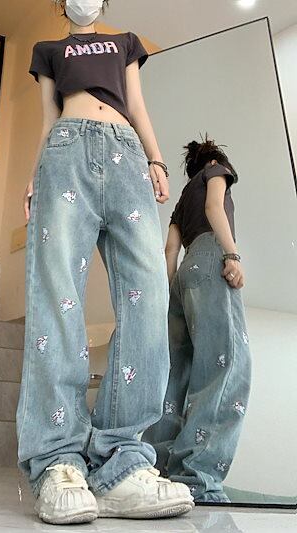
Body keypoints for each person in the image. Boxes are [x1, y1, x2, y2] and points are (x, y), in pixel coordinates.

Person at [16, 0, 194, 525]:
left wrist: (156, 158)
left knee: (149, 296)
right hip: (65, 152)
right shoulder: (48, 50)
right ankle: (58, 461)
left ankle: (121, 464)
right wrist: (34, 175)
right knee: (57, 298)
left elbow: (136, 105)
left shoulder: (124, 44)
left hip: (126, 154)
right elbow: (48, 119)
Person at [143, 138, 252, 503]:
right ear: (213, 160)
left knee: (177, 374)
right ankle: (197, 476)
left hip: (183, 275)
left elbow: (169, 251)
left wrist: (168, 298)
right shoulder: (216, 170)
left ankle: (158, 470)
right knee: (228, 364)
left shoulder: (181, 202)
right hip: (209, 259)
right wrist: (231, 255)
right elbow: (214, 206)